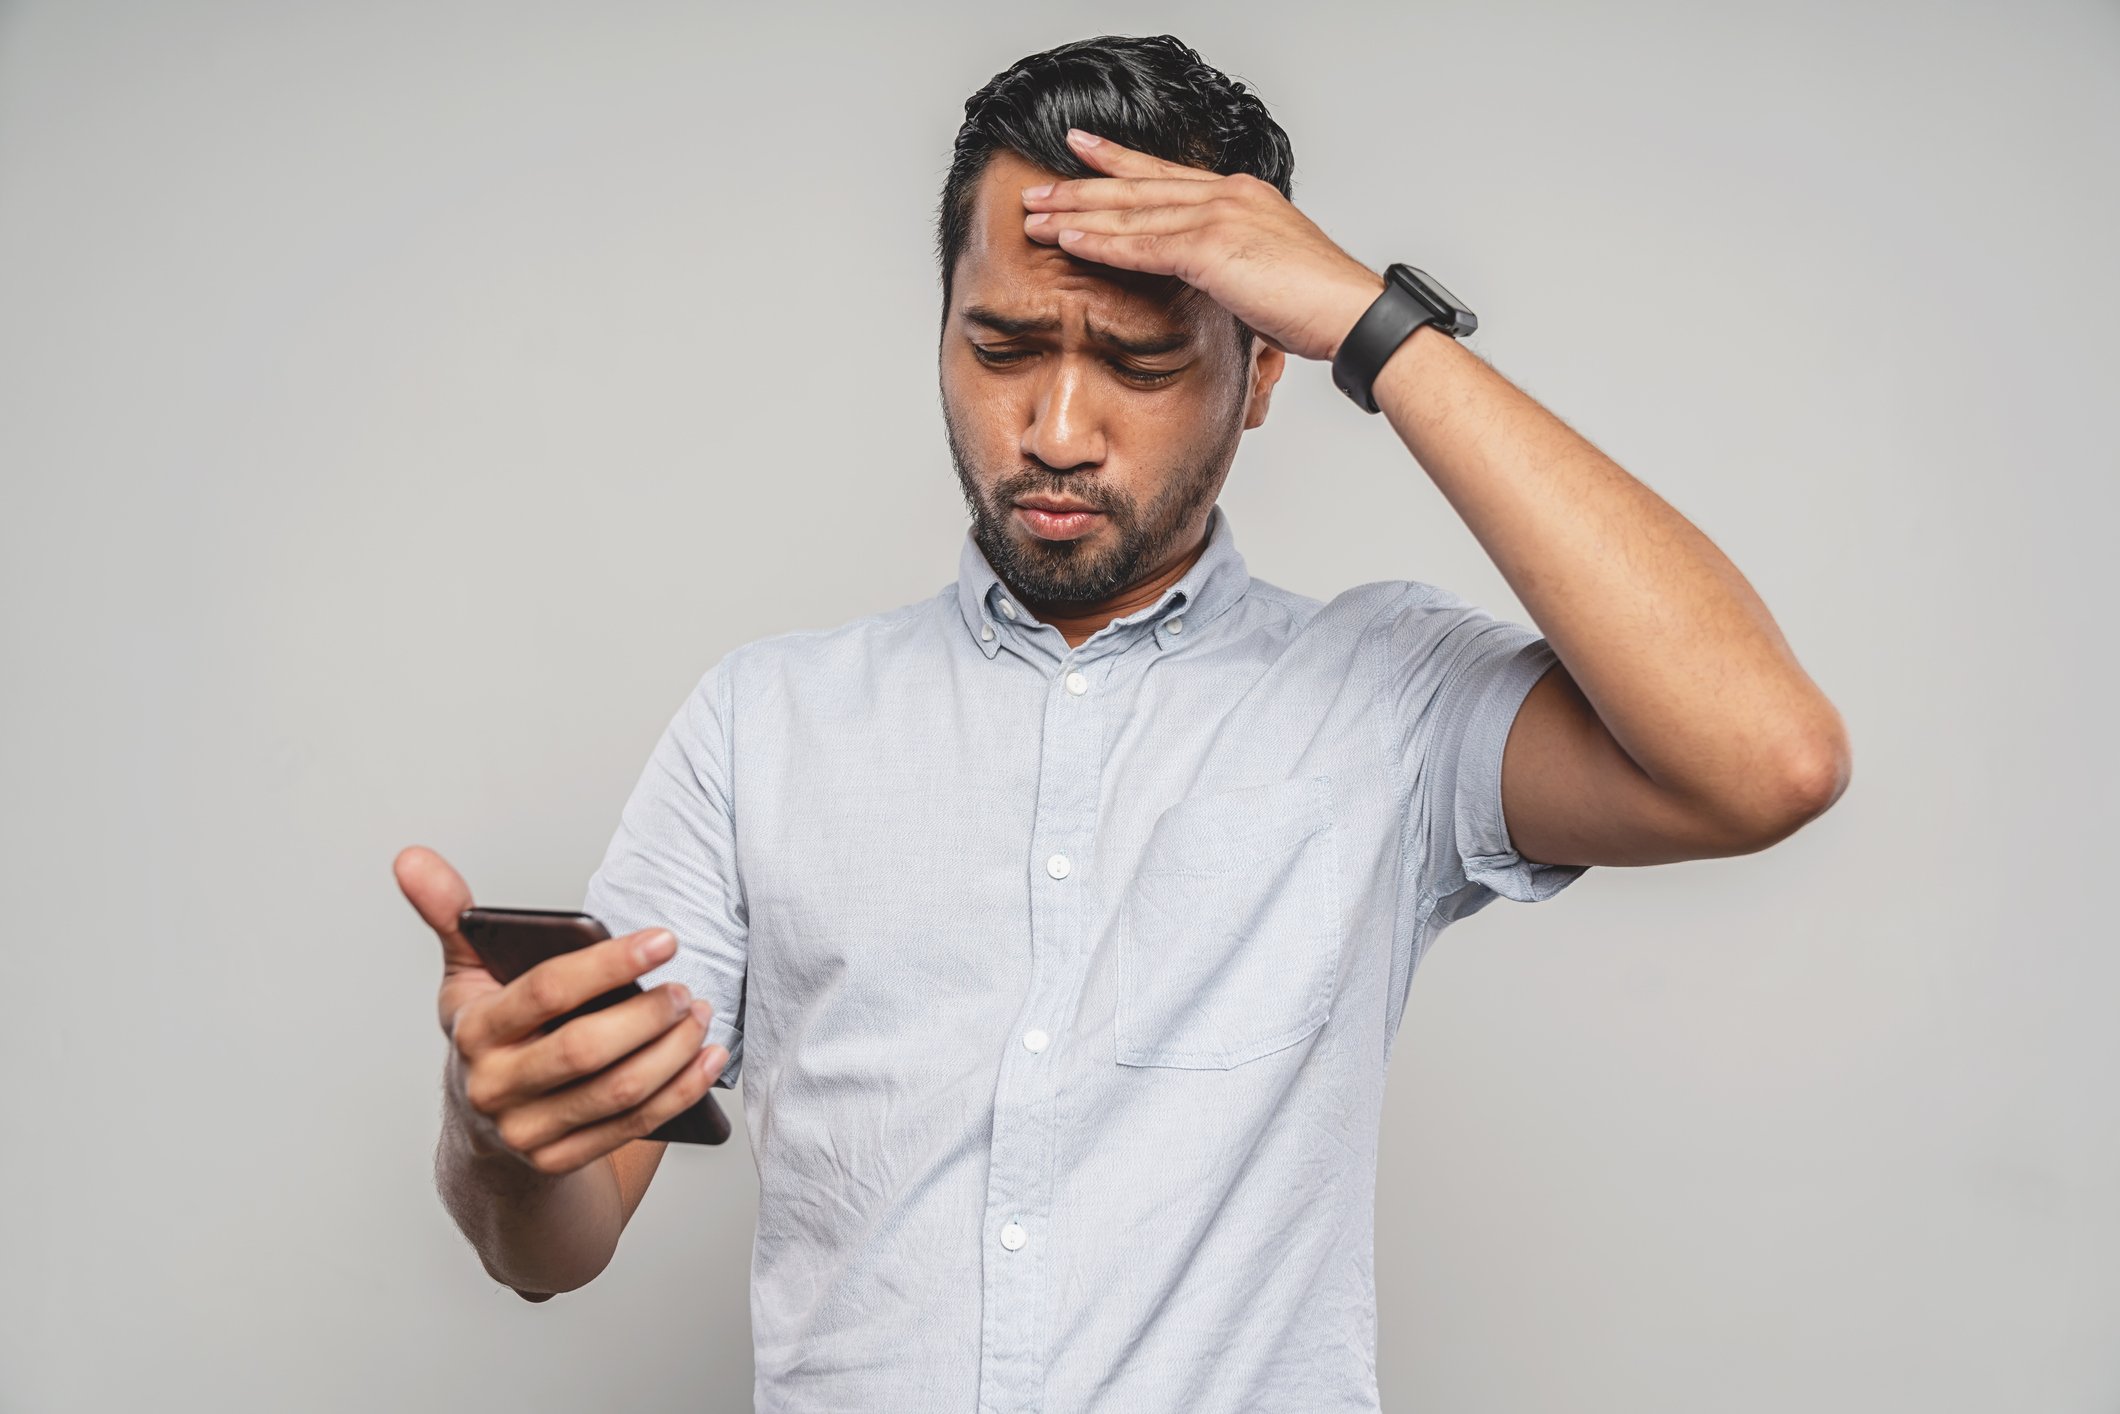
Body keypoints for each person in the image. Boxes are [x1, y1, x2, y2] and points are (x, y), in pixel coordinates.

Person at [399, 32, 1850, 1413]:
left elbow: (1765, 760)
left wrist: (1372, 319)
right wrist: (499, 1136)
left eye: (1145, 365)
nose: (1056, 430)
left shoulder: (1387, 701)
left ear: (1264, 369)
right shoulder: (764, 723)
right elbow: (553, 1244)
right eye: (1002, 347)